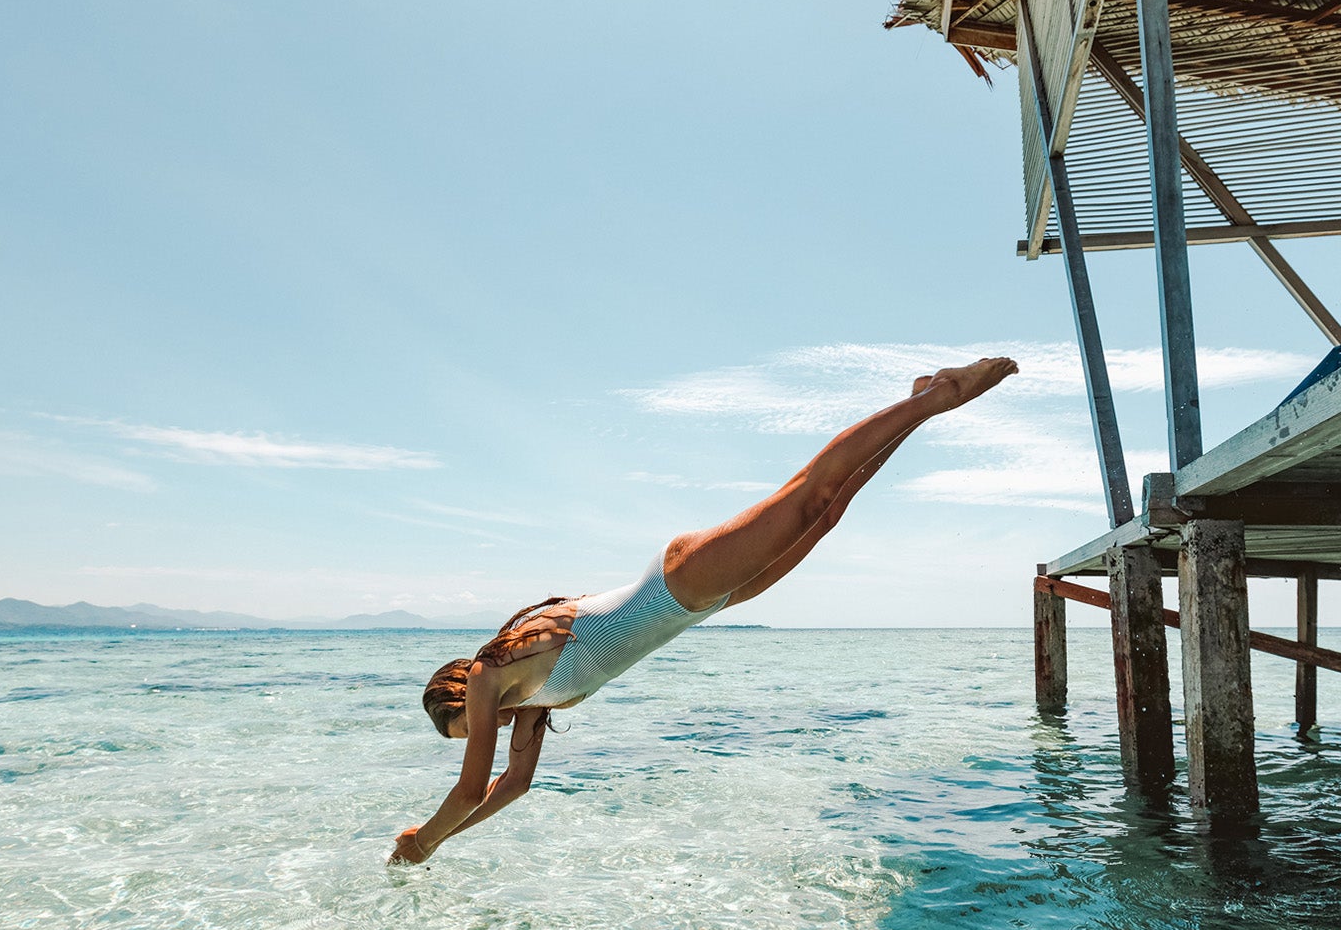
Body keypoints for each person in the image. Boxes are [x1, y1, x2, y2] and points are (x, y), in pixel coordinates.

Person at [390, 357, 1019, 864]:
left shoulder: (487, 677)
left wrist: (425, 841)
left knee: (805, 498)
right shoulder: (527, 705)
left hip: (677, 581)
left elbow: (472, 787)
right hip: (708, 604)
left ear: (457, 692)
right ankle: (917, 406)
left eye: (472, 728)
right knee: (825, 517)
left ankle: (939, 395)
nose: (489, 730)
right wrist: (445, 839)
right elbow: (513, 787)